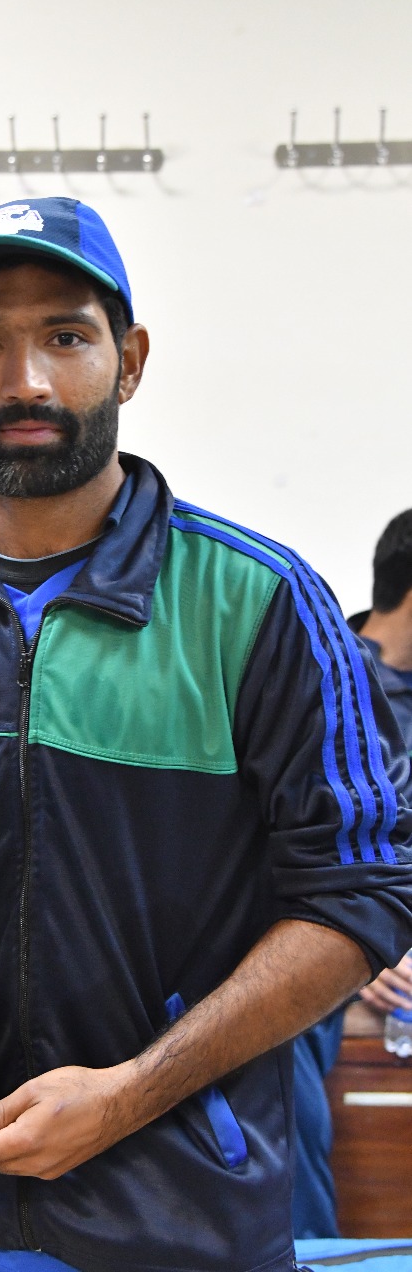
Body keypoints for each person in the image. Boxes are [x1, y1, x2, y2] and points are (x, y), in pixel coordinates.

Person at [0, 197, 412, 1272]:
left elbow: (361, 889)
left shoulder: (258, 601)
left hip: (187, 1223)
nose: (26, 382)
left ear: (130, 358)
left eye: (65, 334)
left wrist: (128, 1094)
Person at [292, 508, 412, 1240]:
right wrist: (355, 943)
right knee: (282, 1047)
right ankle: (303, 1251)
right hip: (338, 935)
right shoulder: (316, 674)